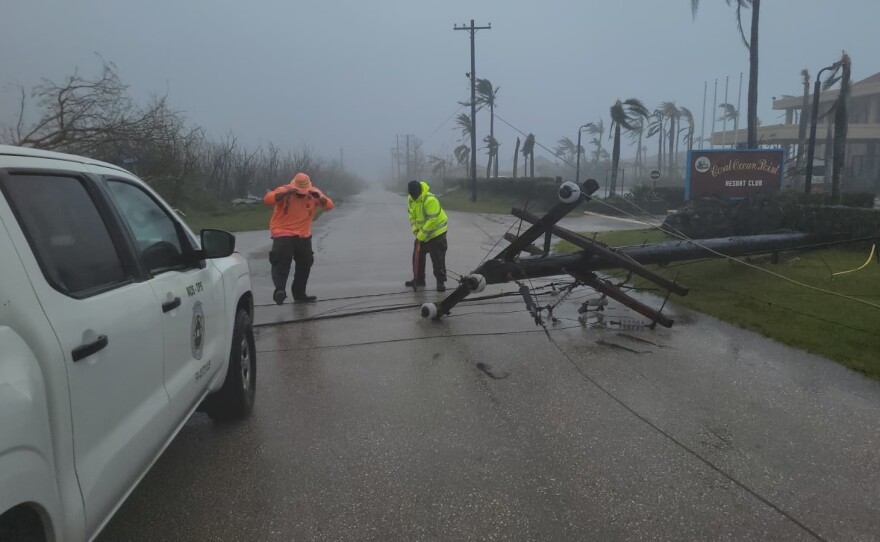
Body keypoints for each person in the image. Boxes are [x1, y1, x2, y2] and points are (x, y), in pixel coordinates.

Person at [263, 172, 334, 304]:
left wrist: (320, 198)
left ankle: (299, 293)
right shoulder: (284, 190)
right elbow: (268, 200)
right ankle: (280, 290)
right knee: (281, 260)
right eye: (299, 191)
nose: (301, 194)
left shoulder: (314, 194)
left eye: (303, 192)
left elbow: (329, 206)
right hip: (282, 231)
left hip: (303, 234)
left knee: (306, 262)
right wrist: (285, 193)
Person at [405, 180, 448, 292]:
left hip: (437, 232)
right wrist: (415, 229)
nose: (413, 197)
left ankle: (440, 281)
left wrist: (421, 235)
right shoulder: (410, 199)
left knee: (437, 257)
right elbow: (412, 216)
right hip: (423, 232)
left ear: (419, 191)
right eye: (412, 195)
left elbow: (432, 220)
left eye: (415, 194)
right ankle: (419, 280)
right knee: (417, 255)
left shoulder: (430, 200)